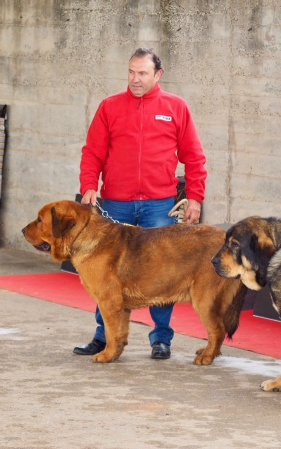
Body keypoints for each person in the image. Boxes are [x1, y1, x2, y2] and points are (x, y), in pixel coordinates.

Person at [74, 48, 207, 360]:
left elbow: (194, 157)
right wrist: (89, 186)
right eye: (131, 72)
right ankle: (105, 337)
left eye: (142, 73)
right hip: (114, 206)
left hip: (159, 205)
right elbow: (92, 151)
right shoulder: (109, 106)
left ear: (157, 75)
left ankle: (161, 339)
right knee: (104, 275)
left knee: (163, 273)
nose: (135, 79)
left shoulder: (176, 107)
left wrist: (195, 197)